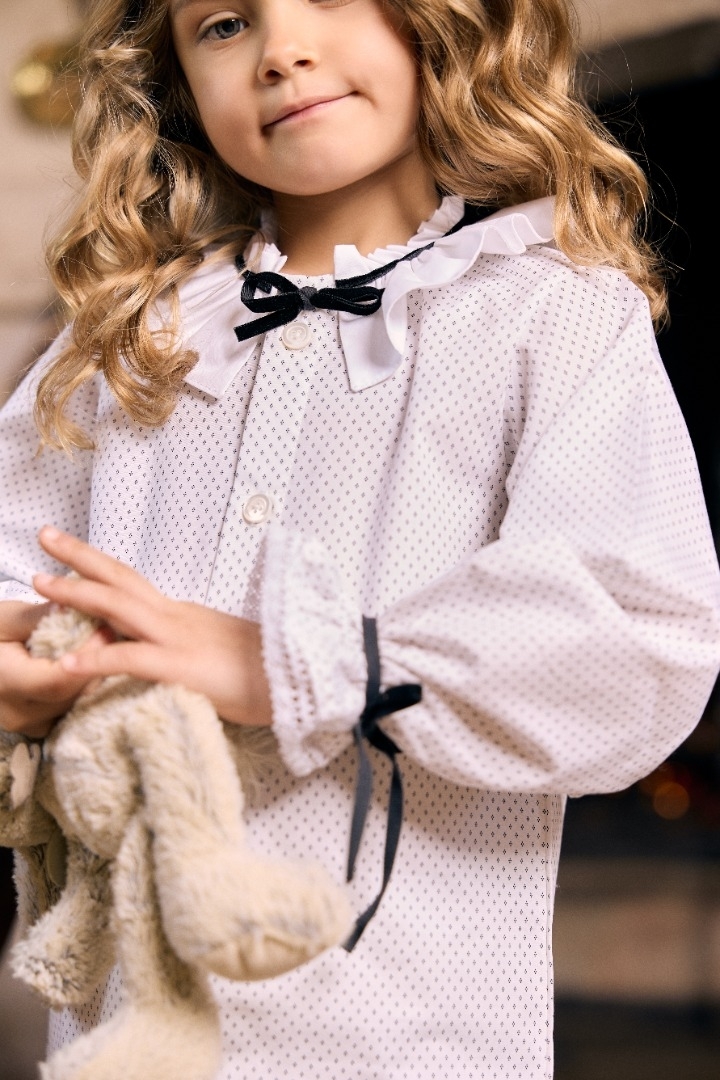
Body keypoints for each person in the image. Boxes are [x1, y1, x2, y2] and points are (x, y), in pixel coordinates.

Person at [1, 0, 719, 1076]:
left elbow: (634, 641)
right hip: (130, 1035)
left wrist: (287, 662)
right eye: (225, 23)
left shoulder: (554, 314)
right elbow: (15, 560)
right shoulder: (126, 340)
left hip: (411, 1038)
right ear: (177, 78)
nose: (283, 51)